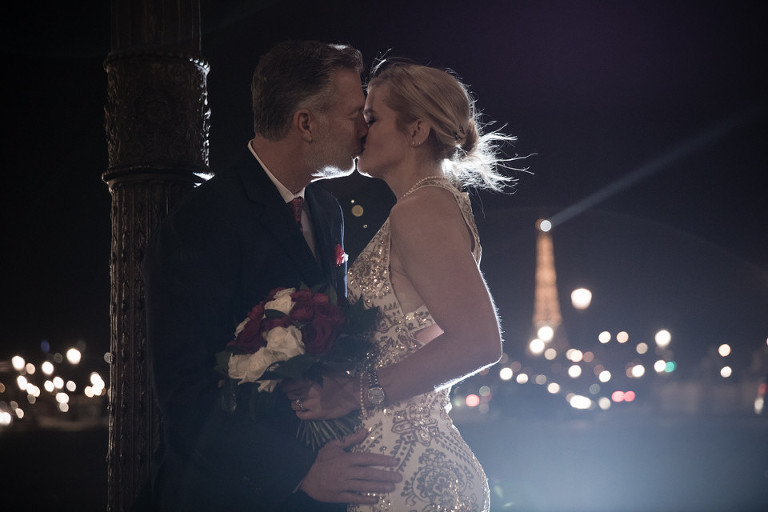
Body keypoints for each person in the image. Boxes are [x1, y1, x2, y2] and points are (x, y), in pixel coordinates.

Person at [142, 41, 402, 512]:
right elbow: (184, 390)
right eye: (353, 114)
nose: (365, 127)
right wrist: (297, 472)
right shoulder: (205, 219)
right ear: (306, 122)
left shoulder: (326, 208)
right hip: (231, 493)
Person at [286, 60, 512, 511]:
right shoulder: (435, 204)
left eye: (372, 118)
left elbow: (480, 342)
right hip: (394, 466)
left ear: (417, 130)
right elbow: (420, 337)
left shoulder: (421, 210)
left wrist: (355, 391)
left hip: (411, 476)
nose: (362, 131)